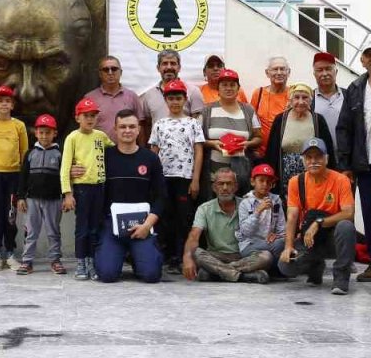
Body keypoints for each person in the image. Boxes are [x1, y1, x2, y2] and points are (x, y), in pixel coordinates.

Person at [334, 43, 371, 282]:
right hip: (365, 162)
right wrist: (346, 165)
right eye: (368, 55)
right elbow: (344, 128)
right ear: (362, 61)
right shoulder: (356, 88)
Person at [95, 109, 165, 283]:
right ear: (115, 129)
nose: (127, 130)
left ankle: (138, 256)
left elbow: (161, 197)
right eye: (123, 127)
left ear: (139, 129)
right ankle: (117, 254)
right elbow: (88, 178)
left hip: (142, 224)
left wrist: (147, 225)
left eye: (132, 126)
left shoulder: (150, 158)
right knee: (107, 275)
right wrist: (75, 170)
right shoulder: (104, 157)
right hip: (112, 225)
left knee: (151, 275)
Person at [280, 139, 357, 294]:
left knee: (346, 226)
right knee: (286, 267)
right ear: (303, 160)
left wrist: (319, 223)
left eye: (318, 157)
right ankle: (315, 265)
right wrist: (288, 247)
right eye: (309, 157)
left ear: (326, 159)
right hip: (310, 239)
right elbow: (292, 217)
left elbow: (348, 213)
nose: (313, 161)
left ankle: (341, 279)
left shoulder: (341, 180)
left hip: (333, 238)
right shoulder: (296, 182)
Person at [147, 79, 205, 271]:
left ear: (185, 99)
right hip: (164, 178)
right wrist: (152, 180)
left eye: (178, 98)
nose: (175, 102)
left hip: (185, 178)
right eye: (171, 98)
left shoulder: (193, 123)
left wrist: (195, 179)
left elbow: (198, 151)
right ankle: (165, 255)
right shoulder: (159, 124)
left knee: (183, 217)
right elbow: (154, 152)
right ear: (166, 100)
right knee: (165, 216)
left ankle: (182, 256)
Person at [181, 168, 271, 284]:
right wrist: (187, 257)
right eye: (220, 184)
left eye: (229, 184)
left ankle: (217, 273)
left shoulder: (248, 204)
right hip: (216, 255)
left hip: (243, 256)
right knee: (195, 253)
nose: (224, 188)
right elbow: (194, 235)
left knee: (266, 256)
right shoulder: (204, 208)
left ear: (236, 187)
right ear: (214, 187)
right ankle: (243, 276)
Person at [61, 97, 113, 280]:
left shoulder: (101, 136)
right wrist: (68, 193)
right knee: (82, 227)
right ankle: (81, 263)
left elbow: (114, 151)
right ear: (77, 118)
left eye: (93, 115)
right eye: (86, 115)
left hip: (99, 187)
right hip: (82, 188)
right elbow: (65, 167)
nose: (90, 119)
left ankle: (92, 262)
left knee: (95, 227)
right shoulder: (72, 138)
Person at [0, 85, 29, 271]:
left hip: (14, 176)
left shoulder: (19, 125)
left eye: (7, 101)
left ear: (12, 105)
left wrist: (23, 182)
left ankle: (10, 252)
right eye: (0, 101)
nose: (4, 104)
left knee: (11, 215)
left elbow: (24, 153)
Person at [15, 115, 66, 275]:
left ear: (54, 133)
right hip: (32, 200)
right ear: (36, 133)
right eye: (41, 132)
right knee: (31, 232)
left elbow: (64, 177)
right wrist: (21, 197)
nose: (44, 136)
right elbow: (23, 177)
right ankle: (27, 261)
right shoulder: (30, 154)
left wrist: (66, 197)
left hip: (53, 200)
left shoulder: (60, 154)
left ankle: (55, 260)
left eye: (48, 133)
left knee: (53, 232)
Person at [263, 83, 336, 190]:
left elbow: (328, 149)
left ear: (310, 101)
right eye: (296, 97)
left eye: (305, 98)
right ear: (290, 100)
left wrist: (330, 176)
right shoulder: (280, 119)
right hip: (284, 176)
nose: (300, 102)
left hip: (312, 173)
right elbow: (271, 151)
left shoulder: (318, 120)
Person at [201, 69, 260, 197]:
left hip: (241, 173)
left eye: (232, 85)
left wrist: (248, 144)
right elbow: (197, 139)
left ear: (238, 88)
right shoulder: (207, 110)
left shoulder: (248, 110)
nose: (228, 88)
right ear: (218, 88)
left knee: (241, 204)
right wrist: (212, 144)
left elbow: (258, 138)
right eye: (224, 85)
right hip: (213, 174)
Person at [139, 50, 205, 143]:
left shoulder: (193, 91)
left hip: (186, 149)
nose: (169, 67)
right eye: (165, 63)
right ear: (158, 68)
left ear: (179, 67)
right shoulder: (149, 95)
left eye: (173, 63)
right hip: (158, 150)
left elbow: (198, 127)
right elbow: (147, 125)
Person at [236, 163, 286, 274]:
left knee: (283, 243)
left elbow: (283, 230)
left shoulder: (276, 201)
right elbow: (245, 232)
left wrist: (276, 235)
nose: (265, 184)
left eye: (269, 182)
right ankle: (271, 269)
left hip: (269, 244)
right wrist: (258, 211)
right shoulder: (245, 202)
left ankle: (261, 270)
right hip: (250, 245)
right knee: (277, 249)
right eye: (261, 180)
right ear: (252, 182)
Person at [83, 55, 142, 142]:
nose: (110, 73)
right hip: (98, 148)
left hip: (126, 148)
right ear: (100, 74)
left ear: (121, 72)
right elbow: (83, 127)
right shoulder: (90, 98)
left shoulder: (132, 97)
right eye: (106, 69)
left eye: (114, 69)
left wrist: (141, 148)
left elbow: (141, 125)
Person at [248, 56, 292, 158]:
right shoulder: (258, 94)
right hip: (260, 154)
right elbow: (250, 123)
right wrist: (253, 149)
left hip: (284, 155)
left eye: (282, 69)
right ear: (267, 73)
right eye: (275, 69)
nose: (279, 72)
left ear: (288, 72)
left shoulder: (294, 95)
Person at [311, 52, 344, 149]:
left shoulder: (348, 96)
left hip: (346, 154)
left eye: (328, 69)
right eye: (320, 70)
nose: (324, 74)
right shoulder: (309, 99)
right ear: (314, 74)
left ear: (336, 71)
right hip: (319, 154)